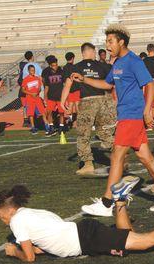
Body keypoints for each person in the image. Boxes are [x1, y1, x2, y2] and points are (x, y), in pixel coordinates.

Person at [71, 25, 154, 215]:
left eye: (110, 41)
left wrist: (147, 111)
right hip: (127, 115)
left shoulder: (133, 61)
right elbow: (106, 84)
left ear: (121, 42)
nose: (107, 45)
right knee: (145, 157)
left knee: (117, 155)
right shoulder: (117, 63)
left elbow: (150, 85)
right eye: (107, 41)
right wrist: (84, 80)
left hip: (132, 115)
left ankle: (107, 203)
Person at [0, 183, 154, 262]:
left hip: (87, 239)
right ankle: (120, 202)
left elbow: (29, 258)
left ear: (9, 210)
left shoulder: (17, 222)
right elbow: (44, 245)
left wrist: (15, 253)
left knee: (142, 242)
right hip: (85, 233)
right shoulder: (32, 213)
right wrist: (33, 250)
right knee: (129, 236)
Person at [60, 43, 116, 176]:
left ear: (82, 53)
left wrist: (63, 102)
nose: (95, 54)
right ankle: (119, 157)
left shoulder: (76, 67)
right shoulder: (102, 65)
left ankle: (88, 164)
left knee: (83, 134)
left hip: (86, 102)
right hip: (103, 101)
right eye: (94, 51)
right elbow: (112, 83)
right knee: (105, 133)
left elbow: (68, 85)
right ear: (90, 52)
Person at [21, 65, 50, 135]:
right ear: (28, 71)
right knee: (31, 114)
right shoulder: (26, 79)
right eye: (31, 70)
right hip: (30, 99)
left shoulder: (37, 78)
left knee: (43, 112)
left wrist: (37, 92)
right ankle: (33, 127)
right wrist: (31, 93)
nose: (33, 72)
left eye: (34, 70)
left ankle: (47, 126)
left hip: (37, 98)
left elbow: (39, 87)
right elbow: (23, 90)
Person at [43, 56, 65, 135]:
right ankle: (51, 127)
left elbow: (65, 84)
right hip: (51, 96)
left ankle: (61, 127)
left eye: (56, 65)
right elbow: (46, 87)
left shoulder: (61, 71)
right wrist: (45, 97)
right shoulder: (47, 73)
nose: (55, 67)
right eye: (54, 65)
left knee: (61, 112)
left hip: (60, 96)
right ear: (50, 66)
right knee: (49, 112)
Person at [63, 52, 80, 128]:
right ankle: (77, 122)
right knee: (77, 106)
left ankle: (69, 122)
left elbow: (64, 81)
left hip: (69, 90)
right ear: (73, 58)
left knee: (70, 106)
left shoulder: (64, 68)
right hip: (76, 88)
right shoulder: (75, 67)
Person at [17, 51, 33, 127]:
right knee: (30, 105)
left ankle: (25, 120)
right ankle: (30, 120)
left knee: (25, 106)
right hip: (29, 90)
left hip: (23, 90)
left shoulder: (22, 66)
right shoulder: (32, 66)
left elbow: (19, 81)